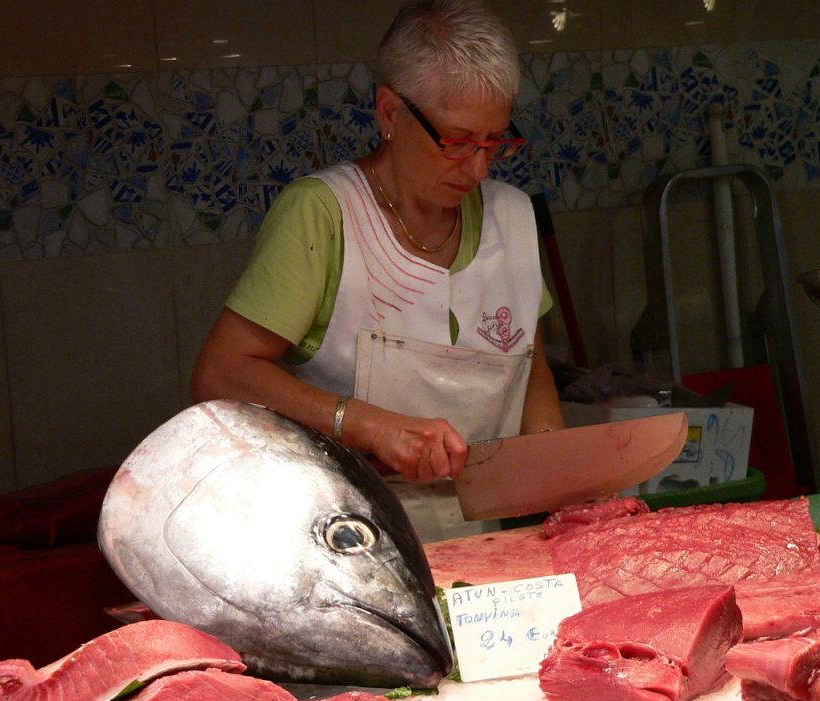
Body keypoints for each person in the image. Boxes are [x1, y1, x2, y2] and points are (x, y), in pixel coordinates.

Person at [191, 0, 565, 538]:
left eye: (494, 142)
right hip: (341, 544)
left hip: (484, 539)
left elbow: (530, 366)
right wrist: (368, 424)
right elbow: (220, 374)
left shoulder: (513, 216)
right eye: (457, 143)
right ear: (390, 113)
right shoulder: (323, 215)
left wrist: (558, 469)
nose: (478, 167)